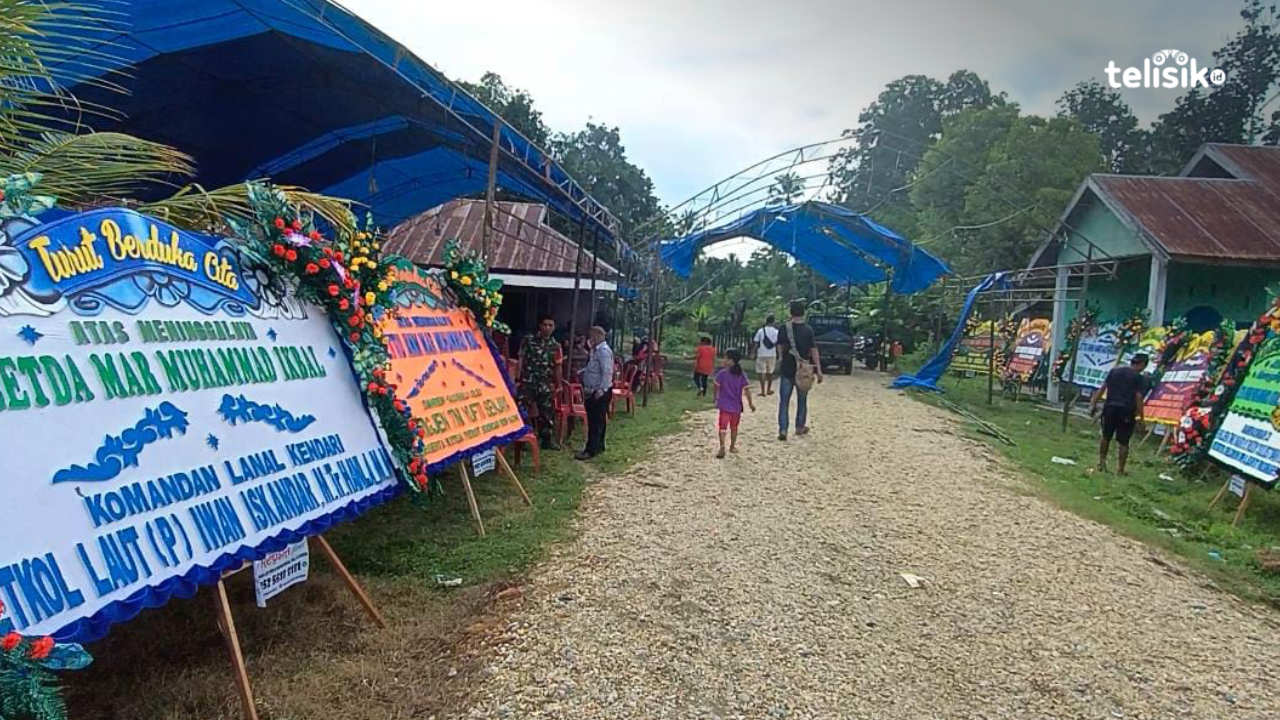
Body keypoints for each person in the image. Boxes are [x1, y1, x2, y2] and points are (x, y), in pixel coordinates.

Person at [1090, 353, 1150, 475]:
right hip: (1126, 411)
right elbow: (1138, 397)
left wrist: (1093, 403)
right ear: (1143, 365)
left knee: (1106, 436)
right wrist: (1141, 417)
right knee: (1123, 442)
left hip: (1110, 408)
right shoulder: (1140, 378)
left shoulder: (1114, 371)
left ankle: (1102, 462)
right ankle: (1120, 470)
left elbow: (1102, 388)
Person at [775, 300, 822, 441]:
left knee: (784, 401)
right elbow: (813, 350)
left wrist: (781, 357)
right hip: (803, 370)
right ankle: (799, 427)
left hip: (787, 368)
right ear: (803, 313)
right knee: (802, 400)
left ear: (791, 312)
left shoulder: (784, 328)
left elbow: (780, 346)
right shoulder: (808, 330)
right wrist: (818, 369)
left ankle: (783, 429)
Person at [518, 315, 564, 450]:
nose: (547, 328)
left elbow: (558, 366)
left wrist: (559, 384)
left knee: (547, 413)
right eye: (545, 324)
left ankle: (547, 440)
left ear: (554, 327)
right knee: (523, 411)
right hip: (528, 381)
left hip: (545, 383)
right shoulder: (529, 340)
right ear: (540, 326)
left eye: (550, 325)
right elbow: (521, 358)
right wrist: (517, 378)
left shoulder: (556, 346)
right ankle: (523, 439)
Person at [576, 326, 614, 461]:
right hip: (594, 389)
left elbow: (607, 372)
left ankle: (590, 450)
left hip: (598, 391)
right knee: (599, 420)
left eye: (591, 337)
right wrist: (583, 372)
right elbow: (595, 368)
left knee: (594, 421)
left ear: (598, 336)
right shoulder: (595, 351)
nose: (589, 340)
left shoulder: (603, 351)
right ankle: (599, 446)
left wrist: (601, 390)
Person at [713, 348, 755, 458]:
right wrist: (750, 404)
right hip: (736, 406)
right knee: (734, 427)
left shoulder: (722, 373)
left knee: (722, 427)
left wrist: (715, 398)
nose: (724, 360)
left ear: (731, 360)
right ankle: (732, 446)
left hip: (724, 405)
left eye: (726, 358)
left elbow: (716, 386)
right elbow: (747, 390)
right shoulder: (741, 374)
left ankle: (722, 446)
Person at [753, 315, 779, 396]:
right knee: (770, 372)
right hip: (772, 354)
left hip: (761, 353)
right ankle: (769, 389)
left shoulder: (761, 331)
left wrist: (753, 352)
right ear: (773, 322)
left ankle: (762, 390)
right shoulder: (776, 332)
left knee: (761, 372)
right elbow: (778, 344)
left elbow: (756, 343)